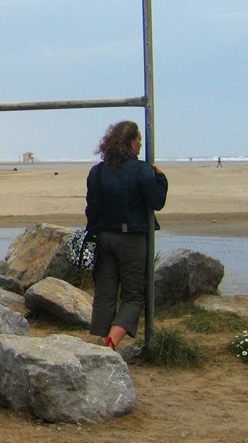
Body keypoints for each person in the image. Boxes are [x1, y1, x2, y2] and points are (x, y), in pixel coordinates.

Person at [86, 121, 169, 350]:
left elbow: (91, 207)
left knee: (105, 294)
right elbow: (157, 202)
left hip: (103, 237)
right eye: (139, 140)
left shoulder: (98, 171)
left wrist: (93, 234)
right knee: (134, 296)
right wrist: (161, 179)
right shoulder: (142, 169)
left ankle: (99, 344)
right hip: (131, 238)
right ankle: (110, 343)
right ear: (131, 142)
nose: (141, 145)